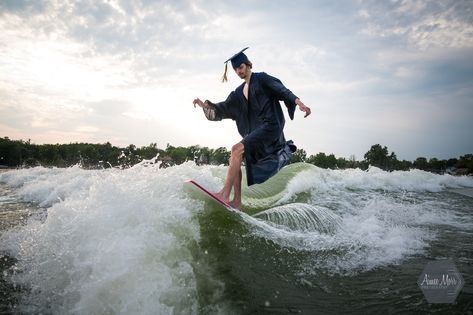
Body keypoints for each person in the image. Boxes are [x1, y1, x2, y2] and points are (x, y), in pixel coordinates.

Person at [193, 47, 311, 209]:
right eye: (236, 69)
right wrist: (204, 106)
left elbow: (282, 90)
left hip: (270, 126)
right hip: (257, 131)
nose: (239, 71)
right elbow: (223, 108)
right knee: (234, 157)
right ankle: (237, 202)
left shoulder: (261, 79)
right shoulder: (238, 93)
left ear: (248, 65)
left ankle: (224, 194)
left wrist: (299, 103)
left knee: (236, 149)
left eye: (241, 67)